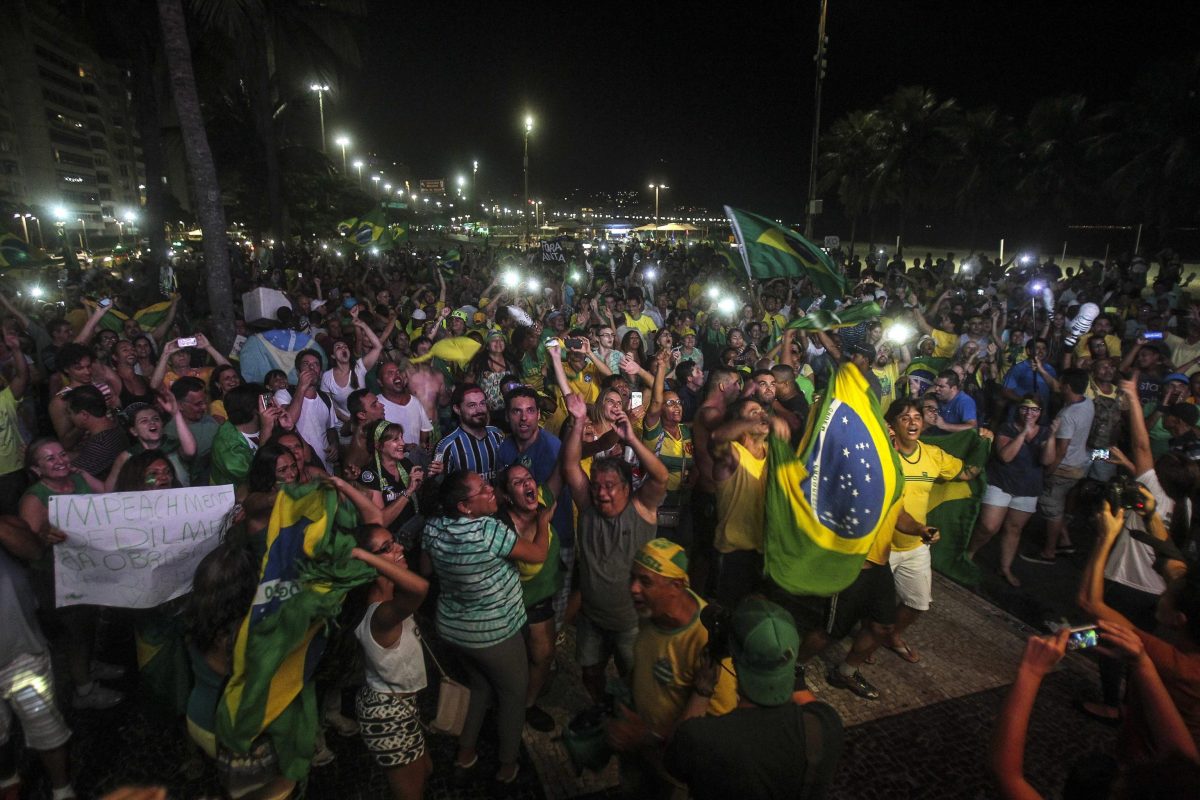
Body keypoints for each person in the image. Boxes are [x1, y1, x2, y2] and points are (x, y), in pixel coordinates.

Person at [421, 470, 551, 785]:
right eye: (483, 489)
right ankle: (507, 765)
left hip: (455, 630)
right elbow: (538, 555)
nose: (491, 490)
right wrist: (543, 523)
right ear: (465, 507)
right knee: (512, 695)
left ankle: (465, 753)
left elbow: (426, 570)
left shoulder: (433, 527)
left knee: (479, 687)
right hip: (494, 634)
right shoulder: (487, 531)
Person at [664, 597, 845, 800]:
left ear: (734, 659)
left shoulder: (701, 737)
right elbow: (802, 697)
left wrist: (703, 689)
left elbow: (673, 761)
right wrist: (780, 666)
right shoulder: (826, 722)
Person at [607, 539, 738, 798]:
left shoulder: (707, 642)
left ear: (676, 586)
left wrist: (650, 735)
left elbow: (719, 725)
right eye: (633, 578)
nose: (633, 588)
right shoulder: (651, 612)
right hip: (639, 750)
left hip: (672, 774)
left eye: (645, 581)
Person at [562, 391, 669, 703]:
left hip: (631, 622)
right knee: (590, 673)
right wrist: (579, 421)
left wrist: (632, 439)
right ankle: (602, 709)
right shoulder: (589, 507)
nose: (601, 493)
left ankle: (631, 719)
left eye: (609, 487)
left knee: (634, 678)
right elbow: (570, 466)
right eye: (596, 486)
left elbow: (661, 477)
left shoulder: (641, 509)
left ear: (626, 487)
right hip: (592, 619)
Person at [882, 398, 977, 663]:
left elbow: (966, 473)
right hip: (880, 546)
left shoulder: (933, 455)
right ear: (892, 425)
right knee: (872, 604)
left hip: (916, 545)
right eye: (904, 418)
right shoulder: (882, 455)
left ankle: (892, 634)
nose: (912, 422)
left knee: (918, 603)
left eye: (917, 417)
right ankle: (869, 638)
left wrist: (983, 443)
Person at [348, 524, 432, 800]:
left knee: (425, 770)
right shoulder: (381, 614)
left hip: (399, 704)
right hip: (388, 715)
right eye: (388, 548)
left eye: (394, 541)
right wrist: (362, 555)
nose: (400, 548)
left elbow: (372, 520)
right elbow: (420, 588)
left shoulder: (388, 597)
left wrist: (372, 554)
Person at [0, 517, 79, 800]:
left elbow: (33, 550)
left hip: (18, 653)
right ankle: (7, 778)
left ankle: (62, 789)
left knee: (45, 725)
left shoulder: (5, 522)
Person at [495, 462, 564, 733]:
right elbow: (534, 558)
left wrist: (581, 431)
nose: (527, 484)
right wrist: (543, 523)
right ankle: (505, 709)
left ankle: (527, 705)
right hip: (509, 607)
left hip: (540, 602)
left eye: (528, 478)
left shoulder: (543, 498)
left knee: (543, 656)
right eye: (517, 482)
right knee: (509, 667)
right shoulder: (500, 525)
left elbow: (564, 466)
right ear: (507, 496)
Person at [966, 397, 1052, 587]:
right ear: (1018, 410)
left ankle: (1005, 568)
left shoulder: (1045, 432)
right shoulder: (1007, 428)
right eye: (1025, 409)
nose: (1029, 413)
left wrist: (1052, 437)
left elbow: (1047, 461)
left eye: (1034, 410)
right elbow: (1005, 456)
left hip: (1028, 487)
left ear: (1040, 412)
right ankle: (968, 553)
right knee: (989, 526)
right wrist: (1023, 433)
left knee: (1014, 529)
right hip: (1001, 482)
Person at [1023, 369, 1096, 563]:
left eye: (1062, 384)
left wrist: (1048, 471)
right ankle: (1065, 542)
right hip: (1080, 463)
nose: (1059, 387)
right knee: (1056, 506)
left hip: (1064, 468)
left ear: (1068, 387)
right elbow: (1055, 386)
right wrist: (1040, 368)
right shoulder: (1087, 402)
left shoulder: (1068, 415)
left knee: (1052, 510)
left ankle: (1049, 553)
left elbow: (1061, 449)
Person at [709, 399, 770, 604]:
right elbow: (717, 438)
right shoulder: (733, 454)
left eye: (762, 411)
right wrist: (751, 422)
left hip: (764, 551)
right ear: (738, 423)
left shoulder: (773, 453)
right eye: (754, 412)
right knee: (730, 613)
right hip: (733, 554)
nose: (762, 415)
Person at [105, 395, 196, 491]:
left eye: (156, 419)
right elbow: (109, 490)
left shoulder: (174, 446)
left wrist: (176, 414)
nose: (152, 423)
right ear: (134, 431)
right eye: (144, 421)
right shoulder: (127, 456)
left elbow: (191, 451)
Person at [274, 349, 340, 473]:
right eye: (306, 364)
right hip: (299, 468)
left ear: (320, 373)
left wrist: (335, 444)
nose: (311, 368)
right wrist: (301, 387)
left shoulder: (326, 399)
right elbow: (288, 422)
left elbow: (330, 428)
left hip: (326, 467)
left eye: (316, 364)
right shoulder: (284, 394)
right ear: (298, 372)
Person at [209, 384, 285, 487]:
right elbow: (254, 478)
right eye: (268, 403)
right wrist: (266, 430)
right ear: (255, 411)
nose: (275, 406)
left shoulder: (264, 425)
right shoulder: (226, 445)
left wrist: (285, 428)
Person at [434, 383, 504, 483]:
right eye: (472, 405)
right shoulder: (447, 446)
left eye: (482, 403)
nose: (479, 410)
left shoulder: (497, 435)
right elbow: (438, 486)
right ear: (457, 409)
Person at [164, 376, 221, 486]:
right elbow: (187, 457)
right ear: (179, 405)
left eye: (205, 402)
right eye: (198, 404)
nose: (204, 407)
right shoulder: (171, 432)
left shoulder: (210, 421)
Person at [65, 385, 129, 479]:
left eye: (70, 413)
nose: (69, 417)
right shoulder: (116, 426)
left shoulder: (99, 444)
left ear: (84, 415)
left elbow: (69, 476)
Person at [377, 361, 433, 463]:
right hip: (391, 464)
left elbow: (425, 428)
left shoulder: (415, 402)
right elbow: (376, 440)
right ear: (380, 382)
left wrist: (422, 445)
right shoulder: (377, 405)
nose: (397, 375)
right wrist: (404, 446)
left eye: (398, 372)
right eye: (390, 373)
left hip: (415, 462)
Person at [0, 332, 30, 515]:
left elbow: (22, 376)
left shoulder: (4, 399)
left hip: (15, 470)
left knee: (18, 517)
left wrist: (17, 350)